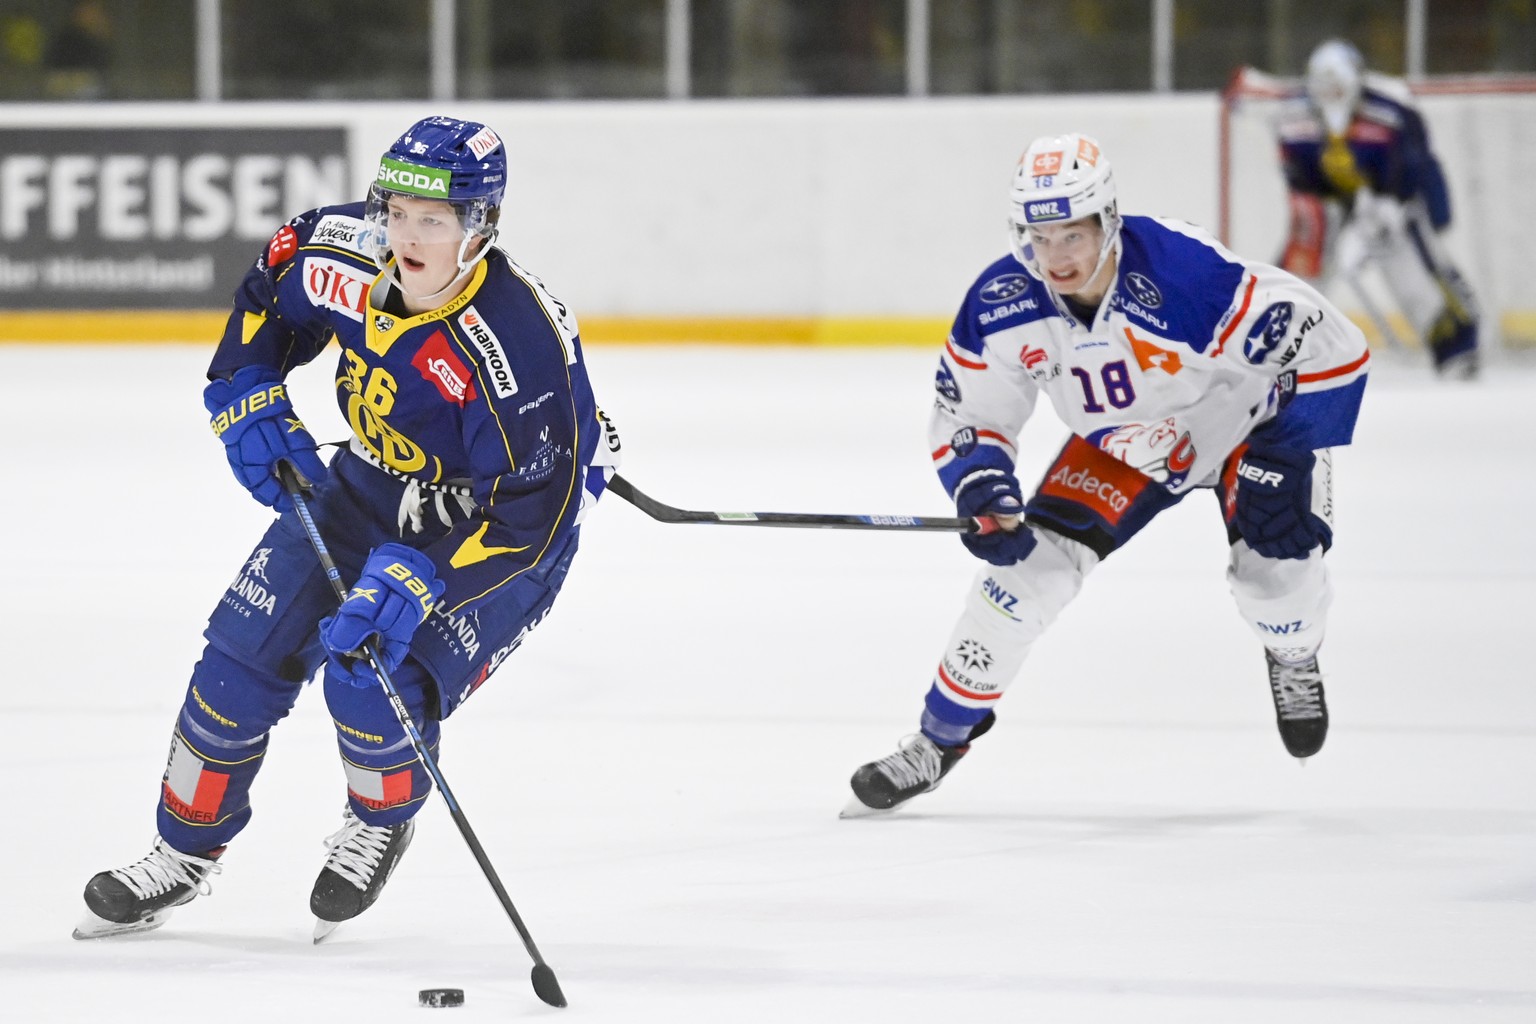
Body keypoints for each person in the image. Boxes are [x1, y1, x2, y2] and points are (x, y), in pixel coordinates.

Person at [75, 116, 618, 939]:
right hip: (365, 483)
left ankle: (379, 820)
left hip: (488, 533)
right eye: (397, 210)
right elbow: (266, 303)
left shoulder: (515, 346)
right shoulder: (338, 252)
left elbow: (530, 520)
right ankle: (182, 854)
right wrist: (245, 391)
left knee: (370, 676)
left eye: (433, 221)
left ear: (481, 227)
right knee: (236, 666)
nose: (407, 236)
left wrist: (420, 577)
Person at [844, 133, 1370, 816]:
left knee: (1276, 586)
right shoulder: (1003, 300)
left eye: (1072, 234)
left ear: (1108, 222)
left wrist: (1286, 449)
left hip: (1248, 428)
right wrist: (980, 480)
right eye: (1039, 235)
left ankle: (1293, 653)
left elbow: (1338, 350)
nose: (1055, 256)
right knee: (1023, 579)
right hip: (1123, 446)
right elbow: (969, 416)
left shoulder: (1187, 277)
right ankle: (936, 741)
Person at [1275, 38, 1478, 378]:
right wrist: (1319, 212)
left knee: (1414, 272)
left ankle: (1456, 348)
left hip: (1388, 200)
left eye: (1337, 84)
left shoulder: (1391, 115)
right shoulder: (1293, 119)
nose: (1331, 93)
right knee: (1298, 270)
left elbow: (1417, 165)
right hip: (1329, 200)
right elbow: (1298, 174)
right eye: (1323, 85)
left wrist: (1398, 205)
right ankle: (1278, 348)